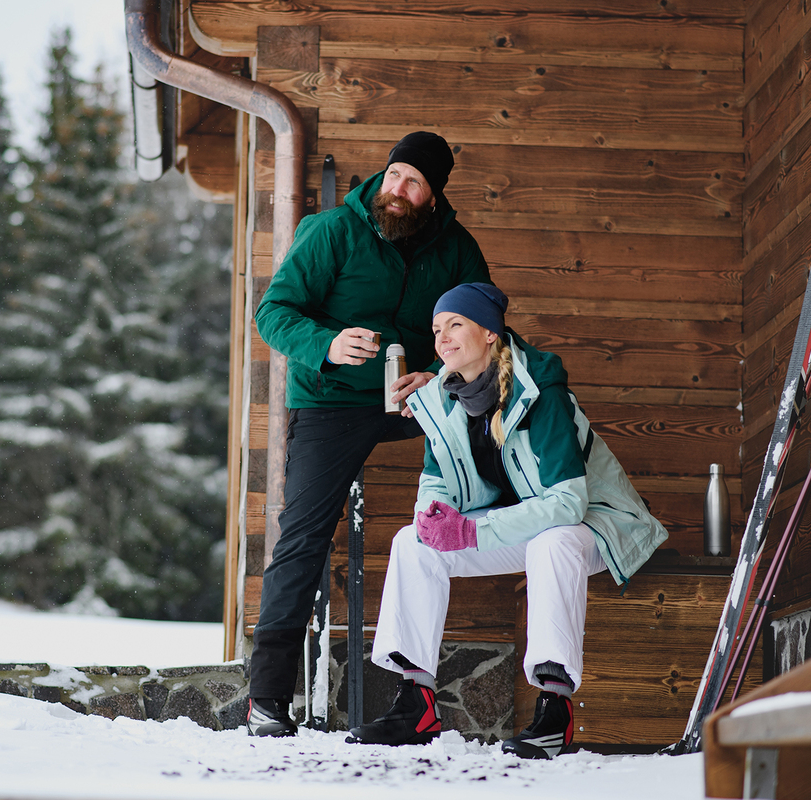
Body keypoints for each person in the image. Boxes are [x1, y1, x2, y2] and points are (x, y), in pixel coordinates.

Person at [345, 283, 669, 759]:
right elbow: (436, 480)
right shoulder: (443, 400)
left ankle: (555, 710)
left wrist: (473, 530)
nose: (442, 339)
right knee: (412, 542)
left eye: (455, 324)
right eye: (437, 329)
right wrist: (434, 517)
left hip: (596, 524)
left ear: (490, 333)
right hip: (520, 523)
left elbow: (567, 505)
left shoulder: (542, 394)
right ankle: (416, 701)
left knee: (552, 543)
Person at [247, 132, 493, 737]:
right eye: (394, 176)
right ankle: (267, 698)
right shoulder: (332, 231)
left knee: (455, 509)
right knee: (303, 535)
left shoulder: (456, 248)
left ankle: (416, 697)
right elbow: (273, 313)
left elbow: (487, 328)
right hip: (333, 399)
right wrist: (326, 346)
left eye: (414, 183)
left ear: (433, 196)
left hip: (422, 399)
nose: (398, 191)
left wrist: (439, 377)